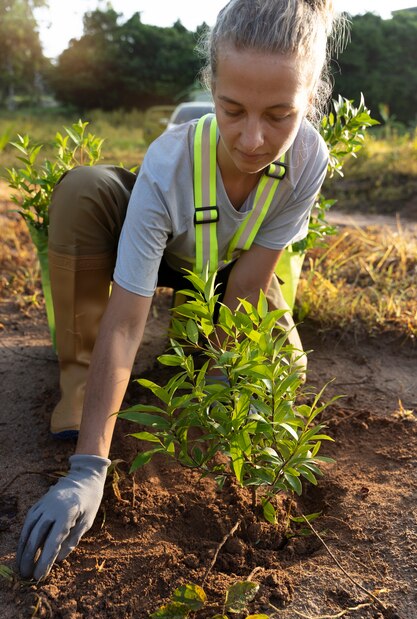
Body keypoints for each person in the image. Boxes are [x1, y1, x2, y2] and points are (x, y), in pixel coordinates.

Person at [17, 0, 346, 580]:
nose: (252, 138)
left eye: (279, 115)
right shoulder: (169, 163)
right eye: (233, 109)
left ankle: (199, 365)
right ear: (211, 85)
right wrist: (89, 465)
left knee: (284, 376)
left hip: (225, 270)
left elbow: (247, 284)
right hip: (160, 254)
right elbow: (126, 319)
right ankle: (79, 385)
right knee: (85, 193)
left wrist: (216, 379)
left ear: (311, 97)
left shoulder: (308, 157)